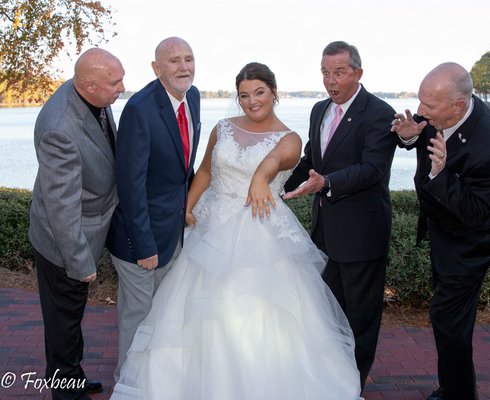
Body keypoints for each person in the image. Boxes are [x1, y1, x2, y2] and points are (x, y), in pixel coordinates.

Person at [110, 62, 363, 400]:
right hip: (211, 232)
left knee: (251, 316)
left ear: (274, 92)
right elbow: (204, 172)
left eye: (259, 92)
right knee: (194, 315)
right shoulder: (223, 127)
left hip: (260, 237)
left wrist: (260, 179)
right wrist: (187, 206)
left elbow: (275, 160)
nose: (251, 101)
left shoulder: (289, 138)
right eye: (244, 95)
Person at [390, 62, 490, 400]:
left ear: (457, 106)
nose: (422, 111)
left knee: (447, 316)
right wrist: (409, 135)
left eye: (429, 106)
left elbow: (474, 212)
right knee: (452, 316)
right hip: (444, 225)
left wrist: (442, 174)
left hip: (472, 238)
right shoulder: (438, 112)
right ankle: (455, 387)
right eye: (420, 102)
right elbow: (417, 136)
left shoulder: (489, 145)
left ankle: (457, 394)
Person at [283, 41, 398, 391]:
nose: (330, 81)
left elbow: (372, 169)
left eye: (339, 73)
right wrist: (273, 186)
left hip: (362, 235)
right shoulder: (318, 110)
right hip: (324, 235)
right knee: (326, 315)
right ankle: (330, 381)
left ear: (357, 73)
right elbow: (310, 162)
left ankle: (352, 387)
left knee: (360, 319)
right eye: (324, 72)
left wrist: (327, 182)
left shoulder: (379, 113)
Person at [28, 48, 125, 400]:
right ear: (88, 84)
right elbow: (61, 205)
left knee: (71, 317)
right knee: (63, 323)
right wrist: (80, 262)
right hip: (62, 242)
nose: (121, 88)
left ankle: (72, 375)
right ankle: (65, 390)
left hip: (85, 227)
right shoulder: (59, 128)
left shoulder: (94, 93)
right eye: (115, 83)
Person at [106, 36, 201, 381]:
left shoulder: (193, 96)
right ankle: (127, 384)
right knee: (138, 316)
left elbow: (182, 169)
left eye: (188, 59)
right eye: (173, 60)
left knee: (164, 315)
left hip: (172, 231)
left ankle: (155, 383)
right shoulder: (140, 109)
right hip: (138, 241)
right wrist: (143, 245)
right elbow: (130, 185)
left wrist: (190, 210)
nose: (183, 67)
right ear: (156, 68)